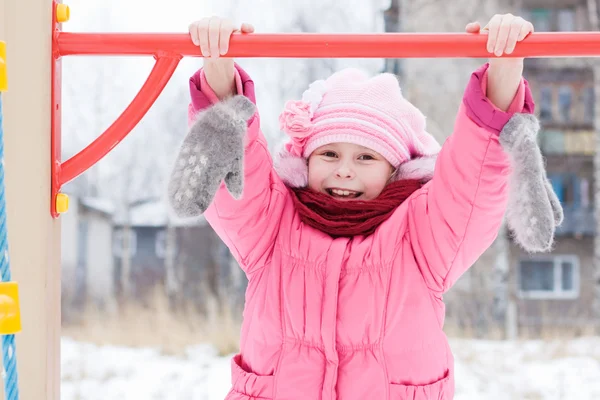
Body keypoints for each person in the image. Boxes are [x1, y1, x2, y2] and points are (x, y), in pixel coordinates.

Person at [168, 13, 561, 400]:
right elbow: (238, 171)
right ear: (305, 160)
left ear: (395, 170)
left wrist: (505, 67)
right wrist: (217, 63)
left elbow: (471, 184)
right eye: (329, 153)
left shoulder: (421, 236)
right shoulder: (272, 226)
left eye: (366, 159)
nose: (344, 171)